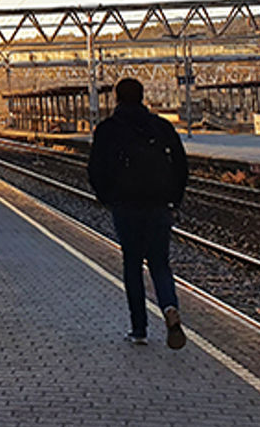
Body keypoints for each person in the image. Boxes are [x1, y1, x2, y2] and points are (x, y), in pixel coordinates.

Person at [88, 77, 190, 349]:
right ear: (143, 97)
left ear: (117, 98)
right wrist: (174, 200)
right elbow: (181, 166)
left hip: (126, 206)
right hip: (159, 206)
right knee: (160, 263)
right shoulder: (162, 127)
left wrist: (107, 198)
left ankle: (139, 329)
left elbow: (95, 169)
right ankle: (169, 306)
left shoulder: (108, 129)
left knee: (132, 265)